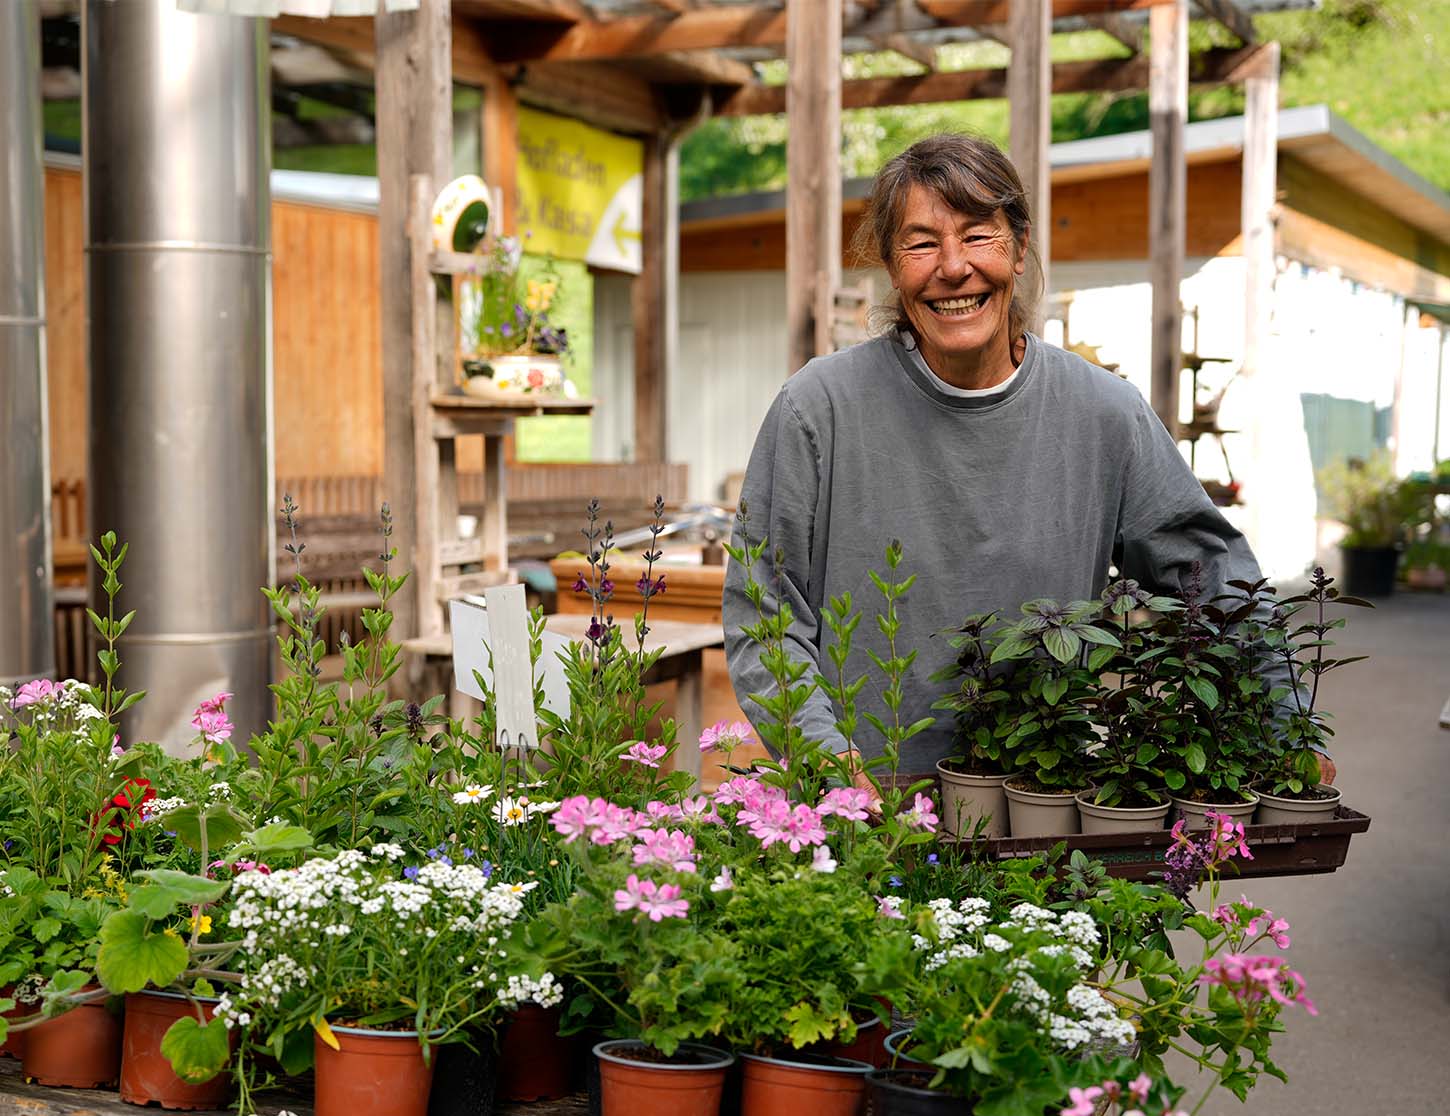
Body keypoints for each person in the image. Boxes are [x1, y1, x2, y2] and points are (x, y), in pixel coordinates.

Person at [722, 132, 1334, 784]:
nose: (952, 267)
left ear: (1019, 249)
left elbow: (1214, 577)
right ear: (892, 267)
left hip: (1040, 800)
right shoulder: (819, 410)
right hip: (868, 819)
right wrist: (828, 763)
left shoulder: (1102, 415)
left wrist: (1285, 727)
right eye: (921, 242)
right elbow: (764, 615)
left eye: (977, 235)